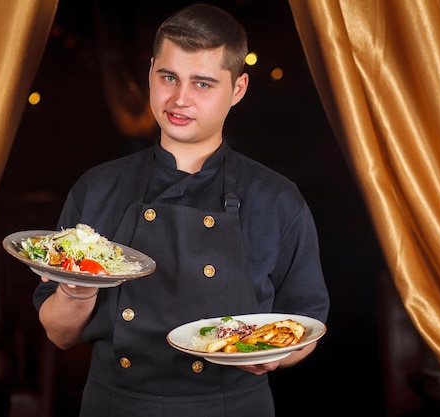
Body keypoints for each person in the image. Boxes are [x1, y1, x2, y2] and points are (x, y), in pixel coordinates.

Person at [33, 3, 329, 416]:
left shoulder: (276, 198)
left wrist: (275, 355)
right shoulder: (98, 187)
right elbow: (59, 334)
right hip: (116, 404)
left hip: (230, 406)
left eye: (203, 84)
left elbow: (306, 325)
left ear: (238, 88)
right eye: (168, 77)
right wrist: (75, 291)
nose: (179, 99)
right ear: (151, 71)